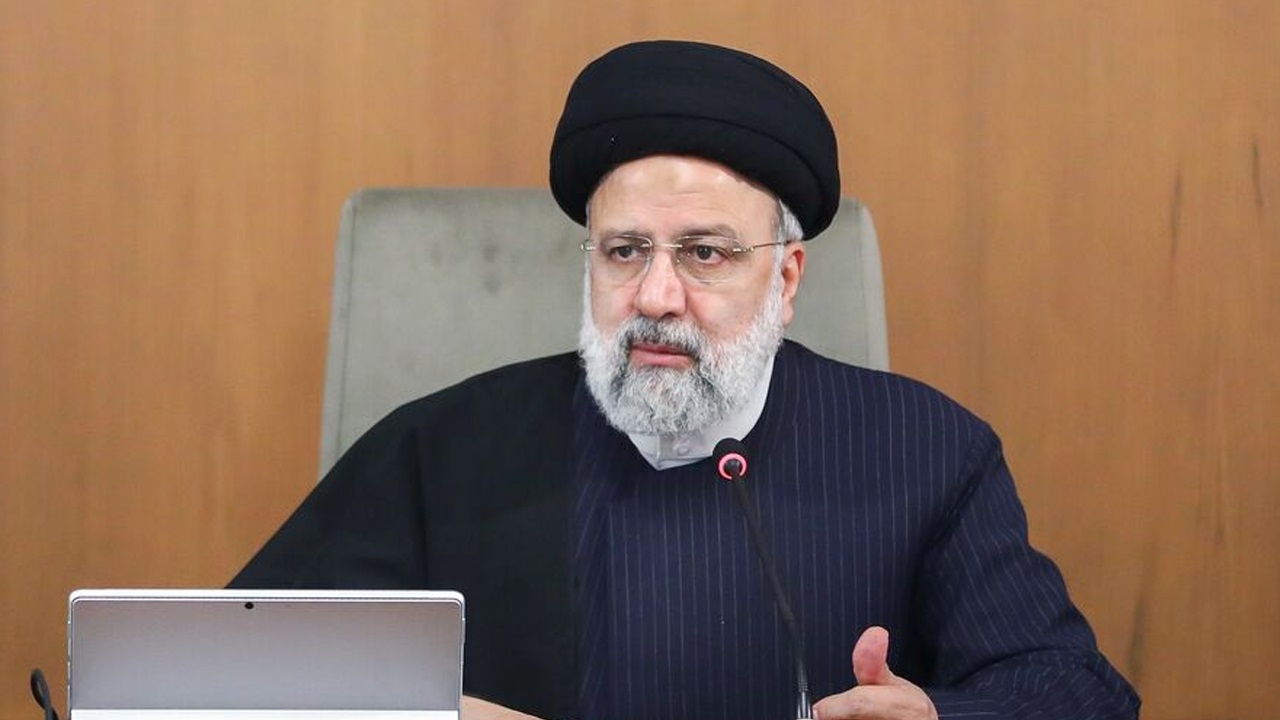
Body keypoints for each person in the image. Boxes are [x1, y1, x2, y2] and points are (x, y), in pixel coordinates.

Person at [231, 40, 1140, 720]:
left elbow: (1074, 689)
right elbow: (236, 671)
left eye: (705, 253)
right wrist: (423, 711)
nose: (656, 296)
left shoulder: (927, 451)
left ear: (786, 279)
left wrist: (941, 715)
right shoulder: (443, 450)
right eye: (626, 251)